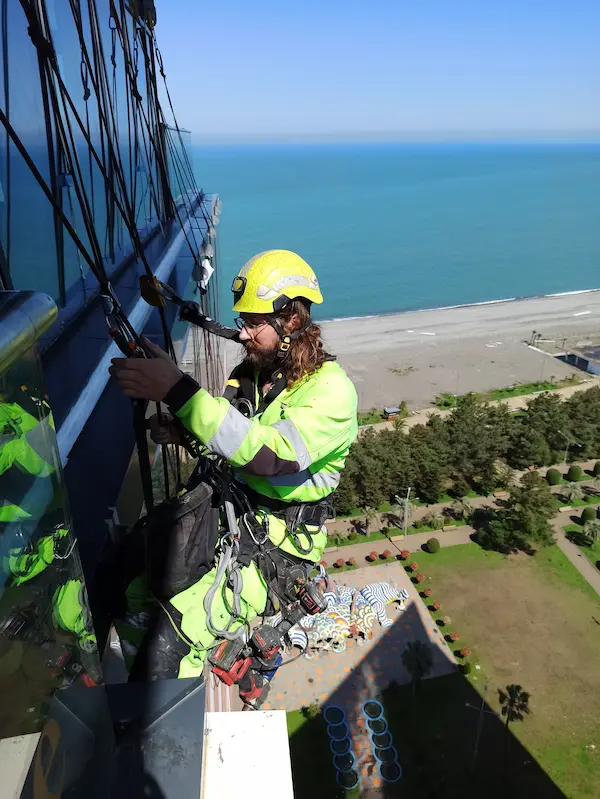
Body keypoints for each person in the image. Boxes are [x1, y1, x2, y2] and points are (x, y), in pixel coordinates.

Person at [109, 249, 358, 680]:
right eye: (242, 322)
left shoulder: (333, 393)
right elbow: (230, 440)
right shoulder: (255, 376)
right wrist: (184, 428)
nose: (242, 334)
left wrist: (181, 392)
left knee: (167, 644)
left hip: (274, 549)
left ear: (291, 320)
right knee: (130, 577)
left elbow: (269, 455)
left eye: (253, 323)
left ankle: (158, 743)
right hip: (233, 519)